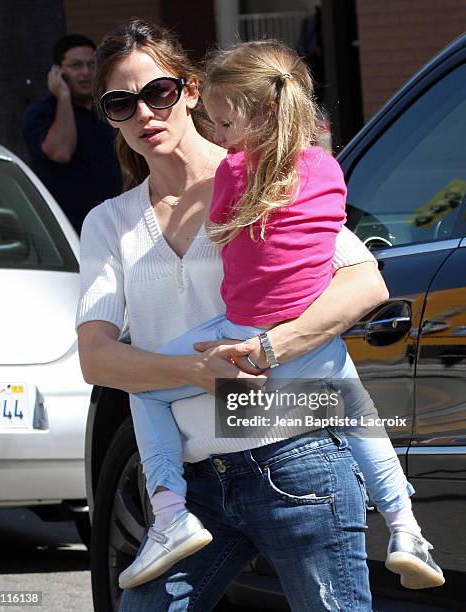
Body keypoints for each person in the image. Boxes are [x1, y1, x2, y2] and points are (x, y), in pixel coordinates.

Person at [94, 37, 444, 593]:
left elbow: (365, 281)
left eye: (158, 92)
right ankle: (405, 526)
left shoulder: (266, 177)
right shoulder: (111, 221)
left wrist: (266, 350)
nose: (143, 113)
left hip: (295, 455)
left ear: (191, 93)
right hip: (199, 477)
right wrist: (195, 373)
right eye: (120, 103)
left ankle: (406, 529)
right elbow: (97, 357)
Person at [22, 34, 122, 233]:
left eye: (92, 65)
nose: (85, 73)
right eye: (76, 66)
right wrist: (64, 97)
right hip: (65, 230)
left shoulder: (109, 109)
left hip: (115, 222)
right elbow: (61, 152)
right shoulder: (42, 113)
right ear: (58, 71)